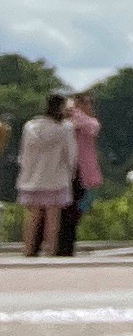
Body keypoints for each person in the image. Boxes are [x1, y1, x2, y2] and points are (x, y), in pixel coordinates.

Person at [16, 92, 76, 257]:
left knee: (33, 216)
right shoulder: (65, 128)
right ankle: (50, 251)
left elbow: (24, 154)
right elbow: (70, 155)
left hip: (32, 177)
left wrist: (26, 171)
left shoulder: (30, 127)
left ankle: (27, 249)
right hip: (56, 177)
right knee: (52, 218)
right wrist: (70, 172)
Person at [57, 93, 101, 258]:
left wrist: (75, 112)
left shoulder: (89, 122)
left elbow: (92, 127)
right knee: (66, 211)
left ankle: (67, 244)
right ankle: (63, 245)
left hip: (84, 174)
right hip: (68, 172)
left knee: (79, 209)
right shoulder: (67, 124)